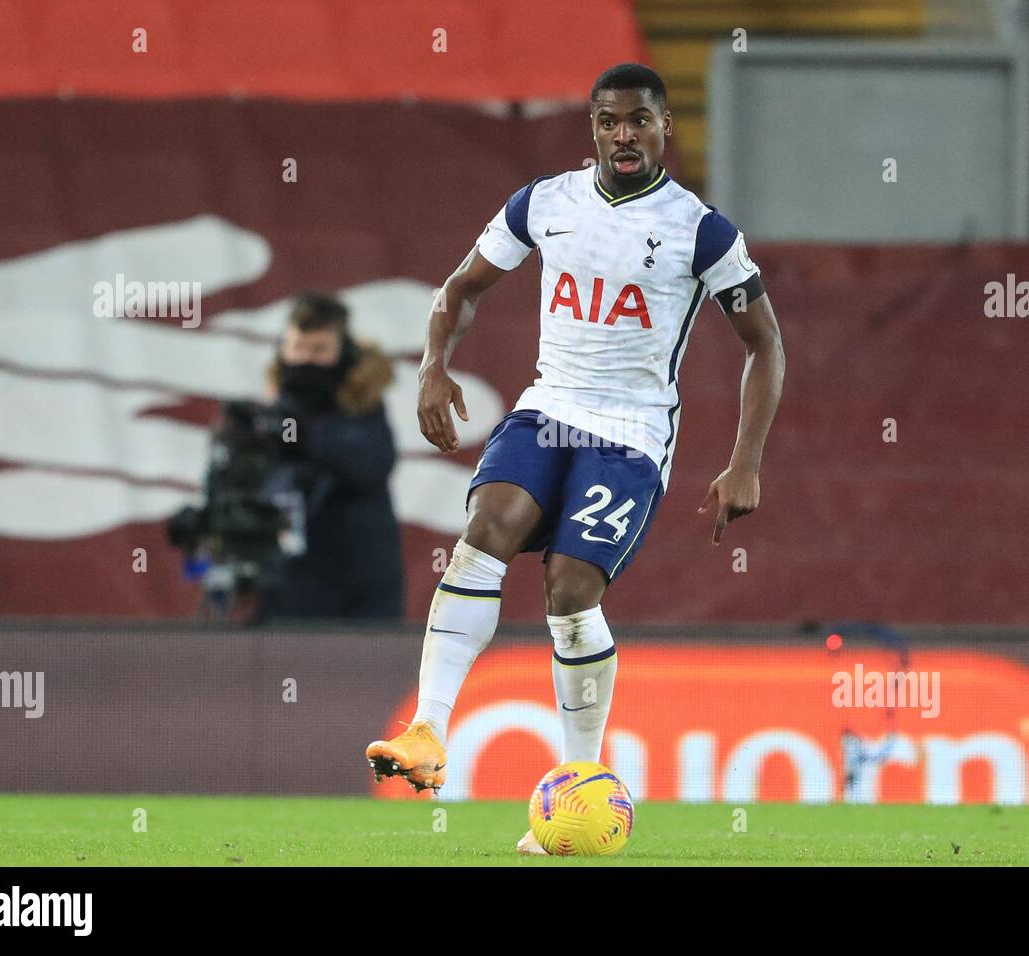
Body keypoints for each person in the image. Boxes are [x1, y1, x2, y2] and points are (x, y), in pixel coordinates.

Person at [366, 63, 784, 852]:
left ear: (666, 128)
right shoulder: (543, 203)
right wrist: (431, 365)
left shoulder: (703, 231)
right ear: (593, 128)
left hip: (630, 433)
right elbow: (460, 288)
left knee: (568, 589)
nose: (623, 135)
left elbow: (765, 344)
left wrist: (747, 460)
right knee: (484, 531)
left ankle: (582, 780)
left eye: (639, 121)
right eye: (608, 121)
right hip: (547, 408)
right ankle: (427, 731)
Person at [256, 292, 405, 622]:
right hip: (289, 585)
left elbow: (369, 466)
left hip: (360, 586)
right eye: (298, 349)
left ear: (344, 353)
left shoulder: (363, 410)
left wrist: (306, 429)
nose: (306, 359)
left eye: (319, 350)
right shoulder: (271, 416)